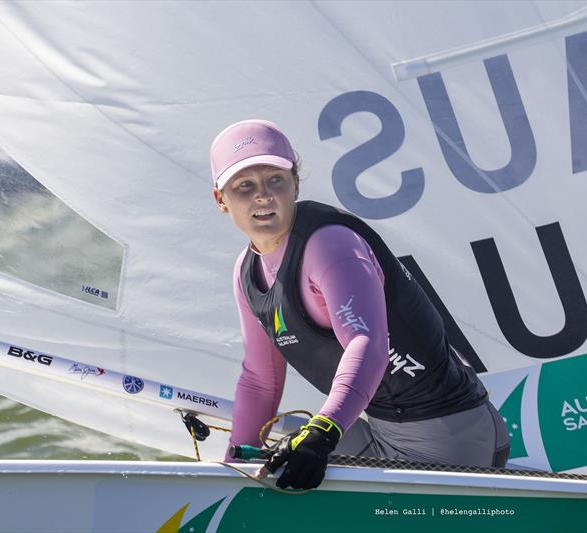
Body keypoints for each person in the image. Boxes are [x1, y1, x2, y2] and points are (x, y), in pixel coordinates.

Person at [210, 119, 510, 490]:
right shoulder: (247, 271)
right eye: (244, 187)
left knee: (303, 444)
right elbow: (260, 380)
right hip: (379, 431)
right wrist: (230, 470)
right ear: (221, 200)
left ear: (295, 184)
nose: (263, 196)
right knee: (267, 453)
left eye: (275, 179)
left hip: (451, 437)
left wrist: (323, 431)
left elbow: (366, 344)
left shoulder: (331, 245)